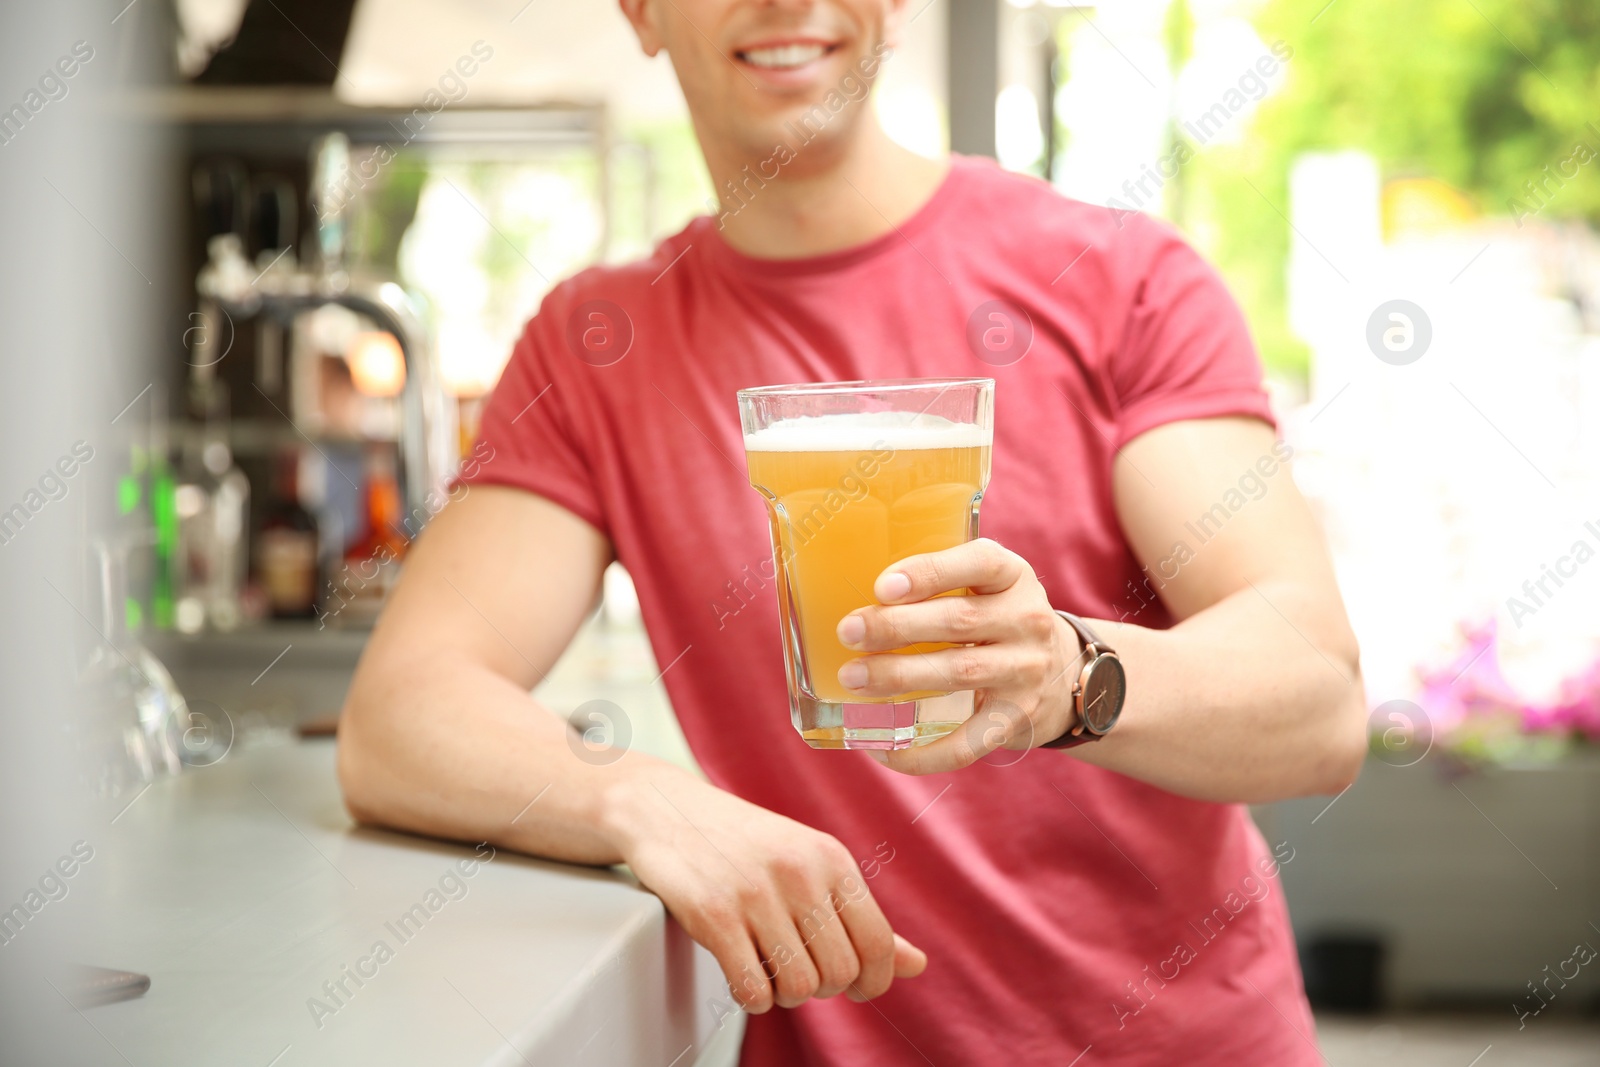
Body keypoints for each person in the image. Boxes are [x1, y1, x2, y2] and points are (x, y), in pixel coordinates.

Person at [335, 1, 1367, 1063]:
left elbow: (1320, 702)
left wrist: (1067, 671)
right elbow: (401, 714)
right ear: (640, 11)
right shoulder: (596, 344)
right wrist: (640, 800)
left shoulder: (1117, 278)